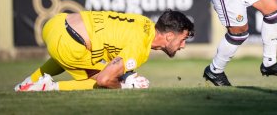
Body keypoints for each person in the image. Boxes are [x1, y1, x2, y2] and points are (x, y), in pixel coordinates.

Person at [14, 10, 194, 91]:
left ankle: (29, 81)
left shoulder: (145, 22)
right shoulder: (140, 48)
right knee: (102, 79)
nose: (183, 45)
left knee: (81, 60)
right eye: (183, 39)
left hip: (55, 24)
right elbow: (104, 79)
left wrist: (126, 74)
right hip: (68, 42)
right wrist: (124, 85)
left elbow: (115, 49)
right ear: (169, 36)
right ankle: (47, 87)